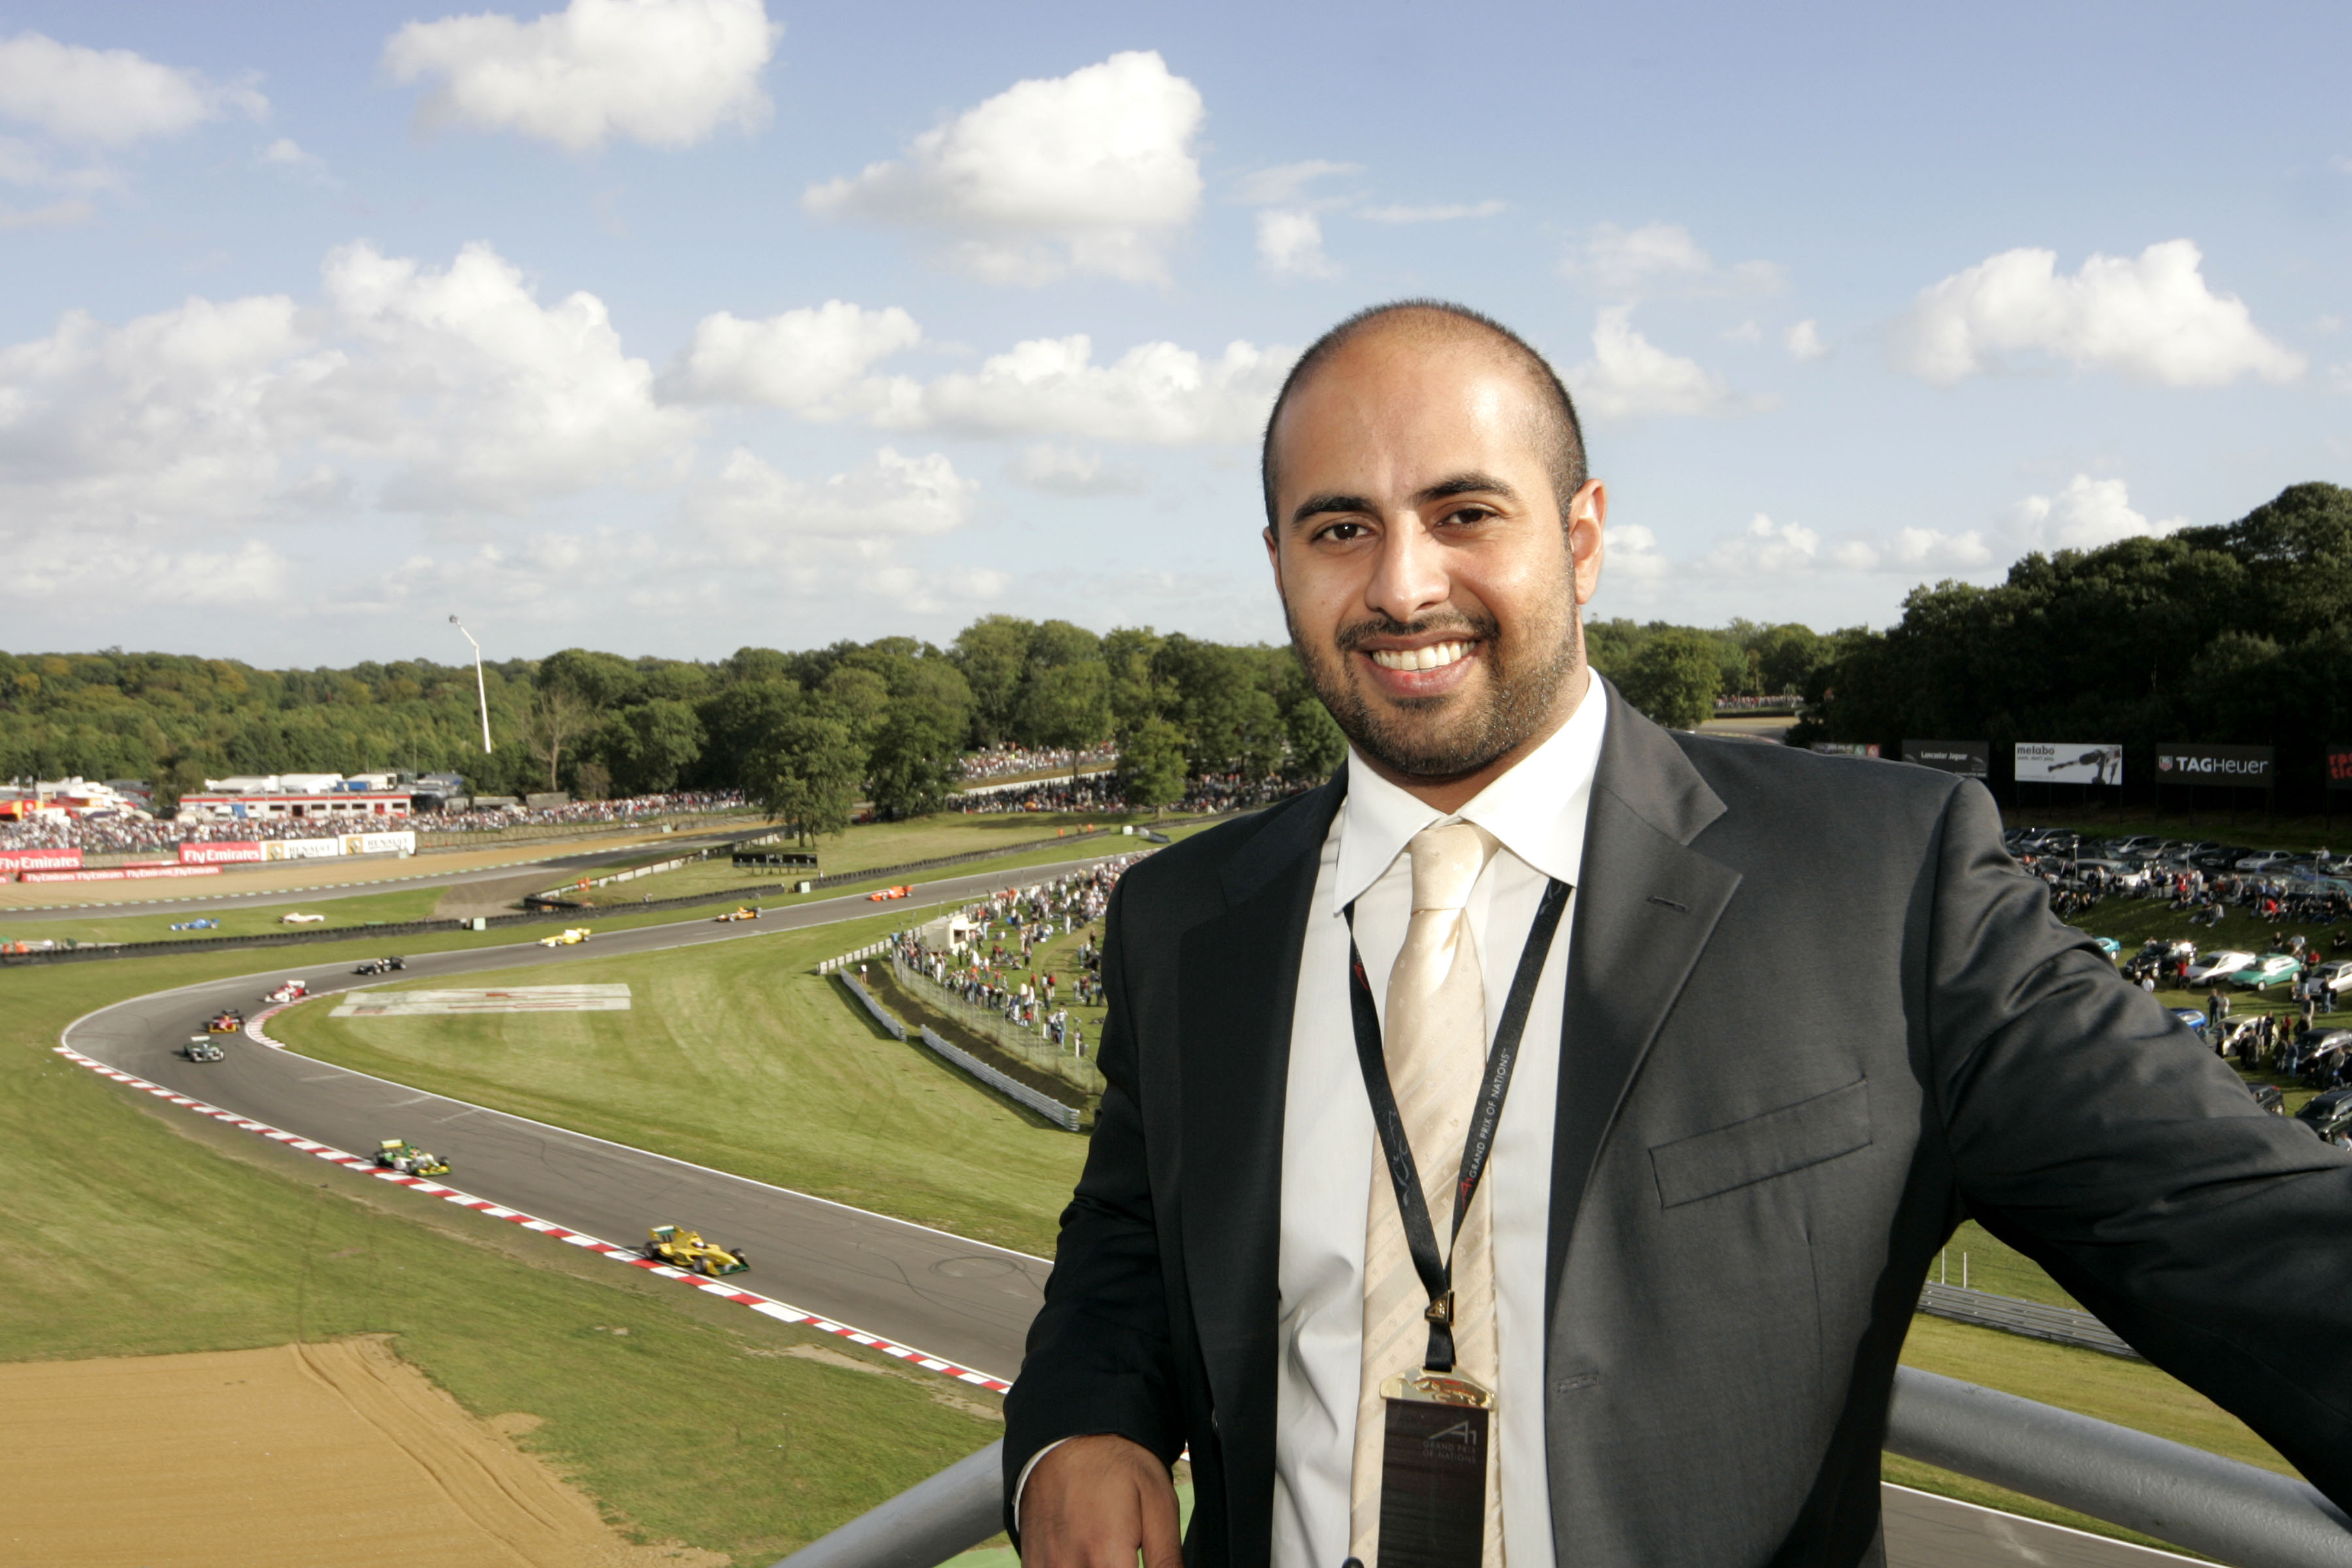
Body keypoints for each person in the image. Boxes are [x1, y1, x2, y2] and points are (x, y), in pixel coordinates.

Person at [1003, 301, 2352, 1568]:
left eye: (1465, 511)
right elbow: (1129, 1241)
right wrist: (1080, 1423)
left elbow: (2242, 1234)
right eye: (1340, 528)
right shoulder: (1184, 918)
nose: (1404, 586)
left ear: (1582, 536)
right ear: (1281, 562)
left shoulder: (1886, 878)